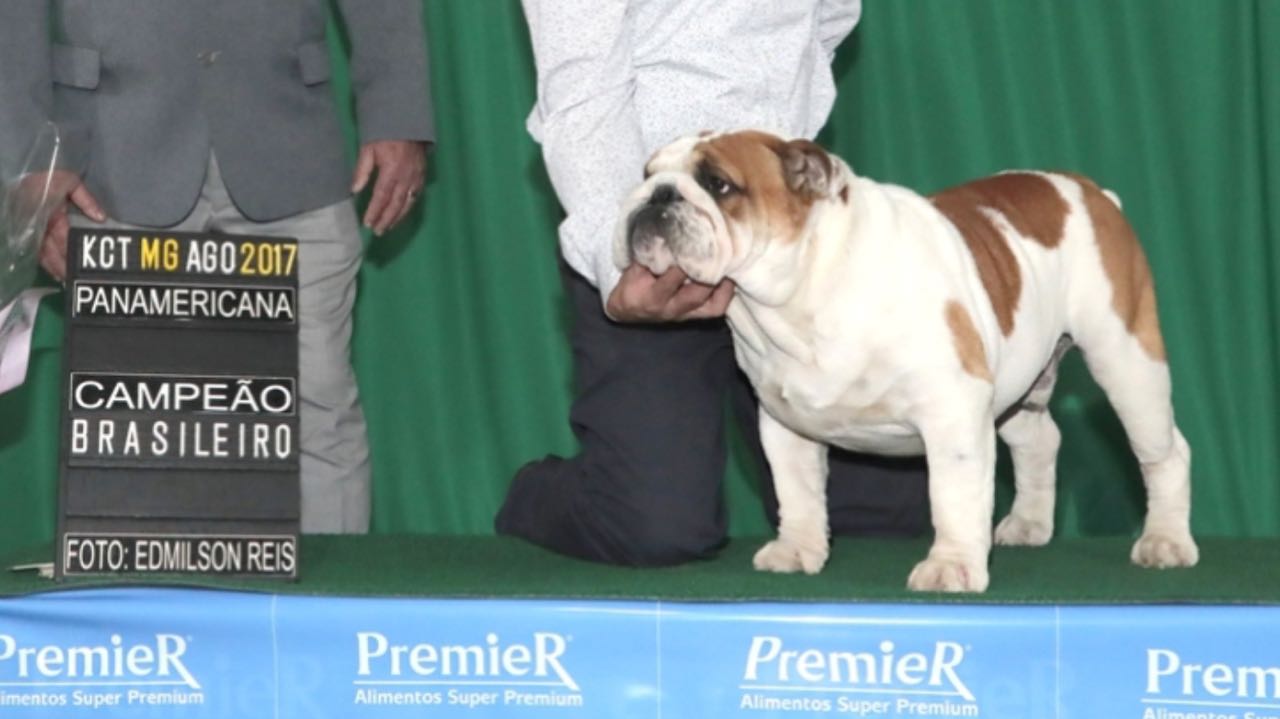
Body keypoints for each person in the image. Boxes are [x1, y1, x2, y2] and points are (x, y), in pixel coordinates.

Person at [496, 0, 930, 565]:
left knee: (889, 518)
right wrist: (619, 260)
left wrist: (774, 161)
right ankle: (535, 497)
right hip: (654, 225)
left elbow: (829, 18)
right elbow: (581, 87)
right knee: (655, 527)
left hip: (777, 227)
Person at [0, 1, 434, 533]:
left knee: (320, 413)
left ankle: (333, 586)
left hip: (289, 146)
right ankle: (141, 589)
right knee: (127, 425)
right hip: (107, 163)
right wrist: (29, 159)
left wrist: (397, 111)